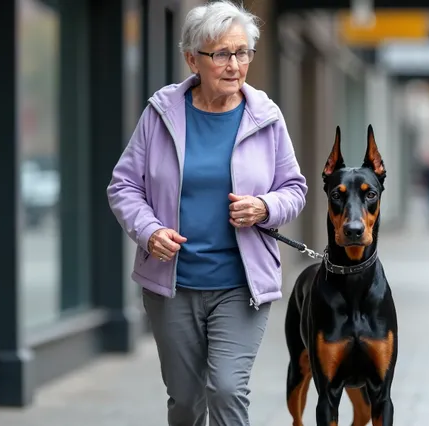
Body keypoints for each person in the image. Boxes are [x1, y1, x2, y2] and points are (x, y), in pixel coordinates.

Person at [106, 2, 307, 425]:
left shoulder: (266, 118)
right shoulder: (160, 114)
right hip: (173, 286)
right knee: (184, 399)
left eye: (243, 52)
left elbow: (295, 189)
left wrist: (265, 207)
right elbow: (124, 186)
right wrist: (149, 231)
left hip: (241, 284)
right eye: (222, 54)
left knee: (228, 388)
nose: (235, 65)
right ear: (192, 58)